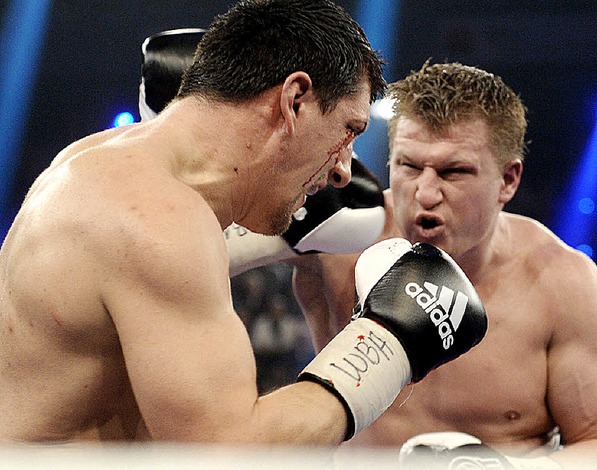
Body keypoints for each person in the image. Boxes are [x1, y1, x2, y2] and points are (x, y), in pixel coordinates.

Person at [0, 0, 489, 446]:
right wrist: (391, 342)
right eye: (348, 130)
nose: (344, 167)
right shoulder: (157, 220)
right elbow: (228, 451)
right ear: (295, 100)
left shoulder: (102, 165)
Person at [292, 61, 597, 469]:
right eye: (409, 166)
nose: (425, 192)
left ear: (508, 180)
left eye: (453, 171)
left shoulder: (563, 284)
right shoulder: (334, 243)